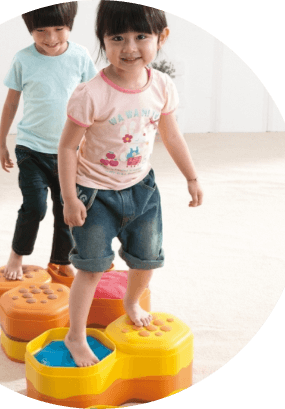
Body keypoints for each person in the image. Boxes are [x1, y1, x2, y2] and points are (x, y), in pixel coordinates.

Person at [58, 0, 203, 367]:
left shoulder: (162, 86)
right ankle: (76, 335)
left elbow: (172, 136)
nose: (129, 47)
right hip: (94, 194)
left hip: (142, 189)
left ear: (161, 37)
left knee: (147, 259)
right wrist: (70, 198)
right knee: (91, 267)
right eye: (117, 38)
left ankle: (132, 301)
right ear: (103, 40)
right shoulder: (91, 94)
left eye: (141, 36)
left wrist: (191, 176)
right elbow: (68, 147)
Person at [0, 3, 97, 280]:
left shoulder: (80, 56)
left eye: (59, 29)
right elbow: (11, 103)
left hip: (70, 152)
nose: (51, 38)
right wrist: (1, 142)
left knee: (67, 209)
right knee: (35, 207)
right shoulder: (23, 59)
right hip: (31, 149)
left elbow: (94, 98)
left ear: (70, 25)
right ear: (30, 28)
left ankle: (60, 260)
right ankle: (17, 254)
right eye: (41, 30)